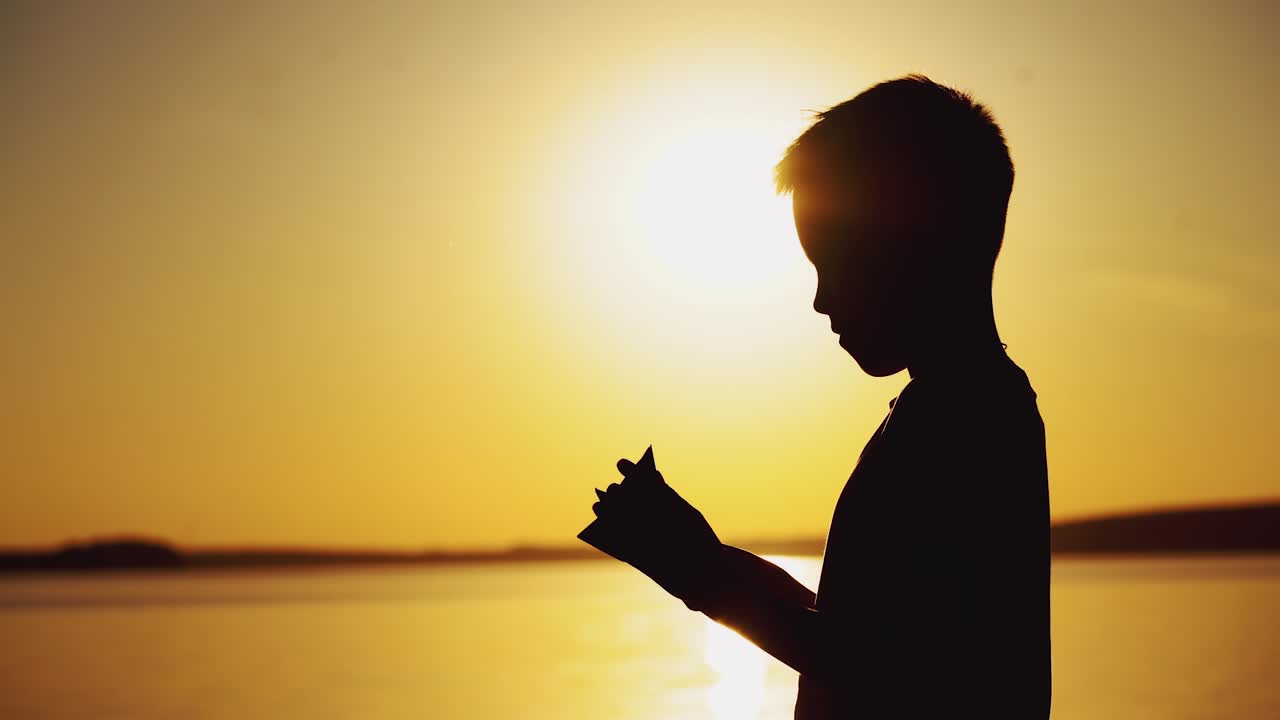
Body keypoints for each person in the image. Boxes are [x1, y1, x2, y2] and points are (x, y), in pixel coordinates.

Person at [587, 74, 1051, 719]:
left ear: (919, 247)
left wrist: (699, 575)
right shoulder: (949, 409)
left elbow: (891, 669)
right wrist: (707, 559)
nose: (822, 299)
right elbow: (862, 629)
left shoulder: (970, 420)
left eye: (835, 265)